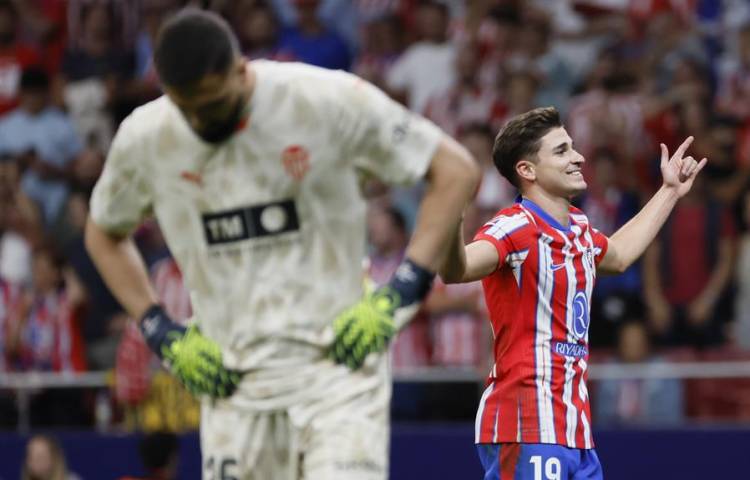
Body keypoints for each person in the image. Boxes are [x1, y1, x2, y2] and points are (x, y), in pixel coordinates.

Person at [85, 8, 478, 480]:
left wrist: (400, 294)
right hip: (233, 386)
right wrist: (160, 331)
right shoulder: (147, 137)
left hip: (338, 372)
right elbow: (102, 232)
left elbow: (454, 170)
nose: (200, 119)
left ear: (240, 69)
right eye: (186, 108)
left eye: (211, 103)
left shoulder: (323, 99)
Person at [439, 106, 706, 479]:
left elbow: (619, 255)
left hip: (575, 429)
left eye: (573, 147)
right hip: (525, 420)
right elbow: (457, 270)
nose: (579, 157)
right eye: (562, 151)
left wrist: (669, 191)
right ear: (527, 171)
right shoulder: (513, 227)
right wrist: (450, 215)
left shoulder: (579, 227)